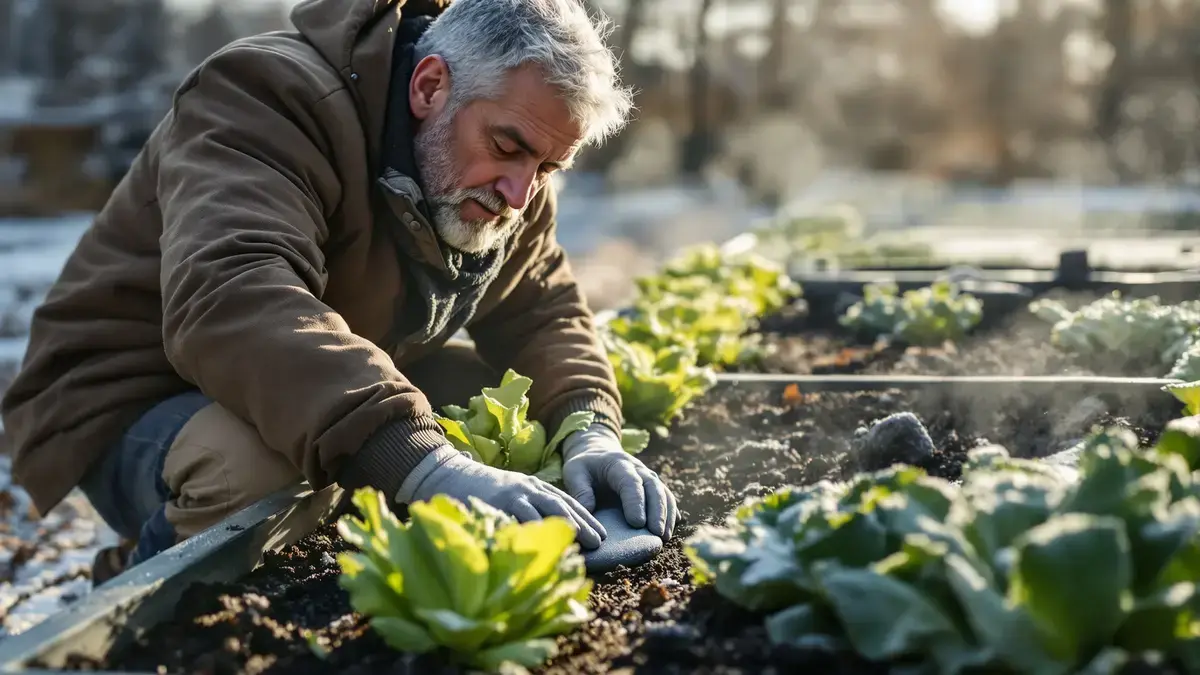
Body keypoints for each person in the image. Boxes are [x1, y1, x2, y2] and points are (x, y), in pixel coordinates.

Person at [0, 0, 678, 584]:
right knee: (259, 475)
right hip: (132, 387)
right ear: (430, 85)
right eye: (507, 147)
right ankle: (136, 605)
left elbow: (541, 306)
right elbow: (235, 297)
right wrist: (427, 464)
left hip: (300, 372)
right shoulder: (266, 96)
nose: (520, 193)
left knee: (509, 418)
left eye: (548, 166)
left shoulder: (509, 171)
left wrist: (589, 430)